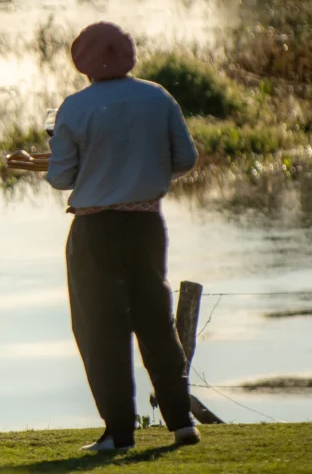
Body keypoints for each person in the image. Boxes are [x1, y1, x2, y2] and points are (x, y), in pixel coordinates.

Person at [45, 22, 202, 452]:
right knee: (155, 321)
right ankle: (181, 420)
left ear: (82, 62)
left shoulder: (75, 107)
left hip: (95, 227)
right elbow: (185, 159)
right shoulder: (157, 96)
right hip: (147, 223)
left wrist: (84, 163)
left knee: (100, 329)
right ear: (129, 54)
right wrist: (143, 172)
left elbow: (60, 176)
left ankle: (118, 432)